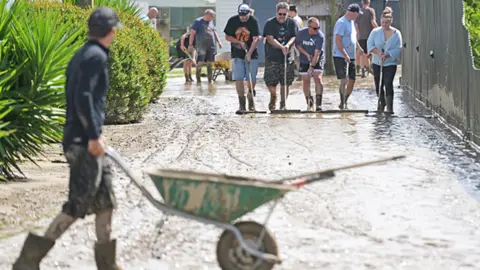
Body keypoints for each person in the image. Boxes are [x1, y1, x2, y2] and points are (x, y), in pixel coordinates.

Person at [12, 7, 122, 270]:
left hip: (87, 139)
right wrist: (94, 137)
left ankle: (107, 264)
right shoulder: (95, 56)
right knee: (77, 204)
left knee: (106, 200)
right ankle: (28, 261)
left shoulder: (83, 54)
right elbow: (83, 98)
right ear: (110, 31)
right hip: (83, 142)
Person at [224, 4, 261, 112]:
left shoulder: (253, 21)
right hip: (237, 54)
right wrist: (239, 42)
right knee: (239, 78)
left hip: (252, 53)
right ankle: (242, 103)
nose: (243, 17)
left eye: (245, 15)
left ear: (249, 13)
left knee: (252, 79)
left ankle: (251, 97)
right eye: (241, 15)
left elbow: (256, 39)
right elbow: (227, 36)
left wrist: (249, 53)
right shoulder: (232, 21)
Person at [263, 2, 298, 111]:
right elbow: (269, 38)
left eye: (284, 14)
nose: (282, 16)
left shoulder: (292, 23)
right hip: (272, 57)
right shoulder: (269, 23)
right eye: (280, 14)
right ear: (276, 12)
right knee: (270, 81)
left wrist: (287, 45)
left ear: (288, 13)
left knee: (285, 82)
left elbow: (294, 36)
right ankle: (273, 96)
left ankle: (283, 104)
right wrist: (281, 47)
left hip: (287, 58)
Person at [367, 7, 402, 113]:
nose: (384, 25)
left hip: (390, 63)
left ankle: (390, 108)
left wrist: (387, 55)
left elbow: (398, 49)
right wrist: (378, 53)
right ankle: (382, 102)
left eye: (387, 23)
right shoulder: (375, 32)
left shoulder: (396, 34)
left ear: (391, 22)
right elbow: (370, 45)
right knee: (378, 84)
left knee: (388, 83)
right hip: (377, 62)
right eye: (382, 22)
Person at [333, 3, 365, 110]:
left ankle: (345, 99)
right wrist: (345, 54)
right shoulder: (341, 23)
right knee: (344, 80)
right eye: (357, 14)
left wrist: (359, 47)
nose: (358, 16)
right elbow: (337, 41)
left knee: (352, 79)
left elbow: (353, 37)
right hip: (340, 55)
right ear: (352, 13)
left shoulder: (352, 22)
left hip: (351, 56)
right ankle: (342, 103)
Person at [295, 17, 325, 111]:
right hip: (304, 58)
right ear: (309, 27)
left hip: (317, 57)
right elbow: (297, 45)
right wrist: (306, 54)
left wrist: (312, 66)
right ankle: (309, 102)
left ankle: (319, 104)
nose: (317, 30)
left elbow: (317, 54)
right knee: (306, 80)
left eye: (318, 28)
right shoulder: (301, 33)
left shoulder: (320, 36)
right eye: (315, 28)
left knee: (318, 78)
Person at [189, 9, 223, 83]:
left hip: (211, 45)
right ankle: (198, 80)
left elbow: (214, 32)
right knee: (200, 62)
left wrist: (219, 42)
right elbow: (192, 33)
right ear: (207, 15)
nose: (212, 18)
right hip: (201, 45)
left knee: (210, 62)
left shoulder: (211, 22)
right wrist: (190, 44)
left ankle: (210, 80)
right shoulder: (198, 22)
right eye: (212, 16)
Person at [355, 0, 378, 78]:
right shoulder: (371, 10)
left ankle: (363, 71)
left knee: (362, 54)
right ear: (369, 2)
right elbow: (373, 22)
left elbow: (356, 26)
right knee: (368, 53)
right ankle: (369, 69)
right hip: (369, 36)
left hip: (361, 37)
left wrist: (358, 35)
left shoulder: (359, 12)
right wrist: (379, 30)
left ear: (362, 2)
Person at [288, 5, 304, 81]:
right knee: (299, 59)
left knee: (297, 59)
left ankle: (300, 75)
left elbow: (295, 32)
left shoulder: (294, 20)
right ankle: (301, 75)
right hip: (301, 41)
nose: (288, 14)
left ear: (292, 12)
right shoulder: (299, 19)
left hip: (297, 42)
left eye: (289, 12)